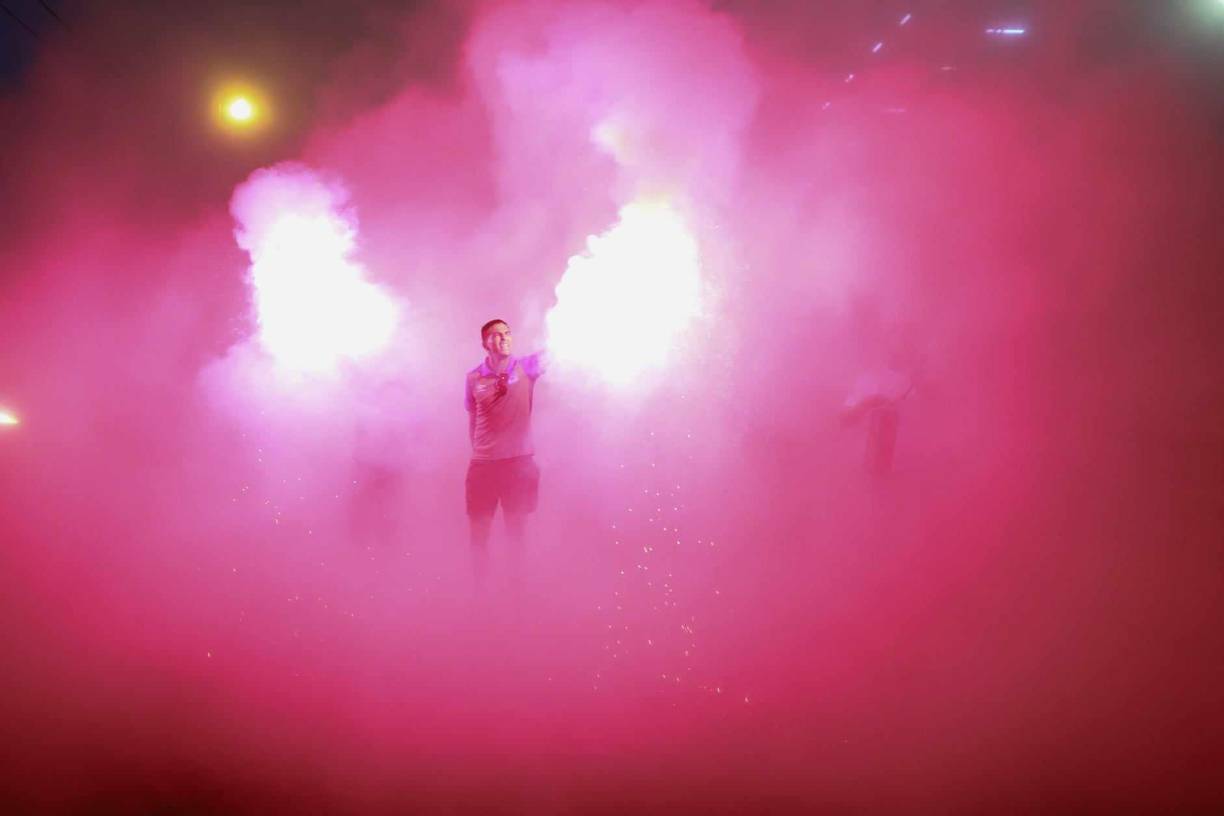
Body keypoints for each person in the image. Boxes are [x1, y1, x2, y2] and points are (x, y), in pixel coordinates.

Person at [463, 318, 546, 579]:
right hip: (484, 465)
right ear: (485, 343)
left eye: (507, 333)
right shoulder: (473, 377)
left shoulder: (526, 367)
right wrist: (482, 452)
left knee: (516, 535)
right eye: (496, 335)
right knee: (479, 536)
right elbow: (473, 419)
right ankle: (479, 590)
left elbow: (560, 350)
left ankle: (516, 591)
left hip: (517, 463)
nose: (504, 338)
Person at [841, 356, 912, 477]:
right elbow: (846, 418)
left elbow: (916, 415)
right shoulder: (864, 379)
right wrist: (868, 402)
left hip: (898, 465)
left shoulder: (902, 380)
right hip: (862, 463)